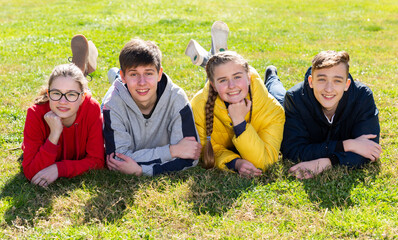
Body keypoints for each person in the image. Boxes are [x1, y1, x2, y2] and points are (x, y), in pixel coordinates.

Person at [264, 50, 382, 179]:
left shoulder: (362, 97)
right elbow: (293, 151)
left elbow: (371, 150)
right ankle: (272, 78)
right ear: (311, 81)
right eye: (321, 79)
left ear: (346, 84)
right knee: (277, 97)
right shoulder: (295, 99)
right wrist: (348, 145)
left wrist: (328, 162)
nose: (329, 89)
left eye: (337, 81)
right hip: (293, 99)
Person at [102, 38, 201, 176]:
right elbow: (117, 160)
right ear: (124, 77)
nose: (142, 82)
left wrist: (141, 170)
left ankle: (116, 74)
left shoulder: (177, 98)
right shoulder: (111, 104)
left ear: (159, 74)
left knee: (135, 86)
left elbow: (190, 155)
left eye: (148, 73)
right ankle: (112, 75)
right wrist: (172, 151)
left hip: (130, 87)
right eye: (134, 74)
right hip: (120, 94)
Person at [190, 51, 285, 177]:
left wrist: (239, 122)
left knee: (280, 94)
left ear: (249, 77)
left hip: (275, 99)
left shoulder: (274, 110)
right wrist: (235, 163)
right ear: (213, 86)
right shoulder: (198, 106)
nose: (231, 85)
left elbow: (265, 161)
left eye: (237, 77)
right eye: (223, 80)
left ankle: (272, 76)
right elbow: (209, 149)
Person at [22, 63, 105, 187]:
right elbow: (31, 172)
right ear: (48, 93)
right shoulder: (35, 114)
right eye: (56, 93)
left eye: (71, 94)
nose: (62, 102)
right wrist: (54, 135)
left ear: (82, 97)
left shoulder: (91, 108)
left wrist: (59, 169)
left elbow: (97, 161)